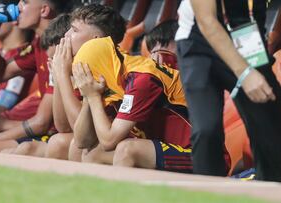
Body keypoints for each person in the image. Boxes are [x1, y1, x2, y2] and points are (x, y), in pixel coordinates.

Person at [49, 4, 192, 172]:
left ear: (96, 41)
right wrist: (87, 94)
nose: (65, 36)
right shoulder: (106, 73)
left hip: (197, 153)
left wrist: (75, 85)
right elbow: (81, 140)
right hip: (159, 146)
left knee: (126, 150)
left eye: (73, 30)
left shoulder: (141, 77)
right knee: (86, 151)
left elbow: (107, 139)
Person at [175, 0, 281, 181]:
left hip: (245, 37)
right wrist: (246, 73)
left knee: (271, 126)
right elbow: (207, 21)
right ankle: (208, 196)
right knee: (206, 130)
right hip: (199, 43)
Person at [0, 0, 72, 150]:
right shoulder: (38, 44)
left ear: (44, 10)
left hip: (56, 135)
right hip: (43, 130)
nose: (18, 7)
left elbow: (42, 123)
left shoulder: (60, 46)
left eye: (25, 2)